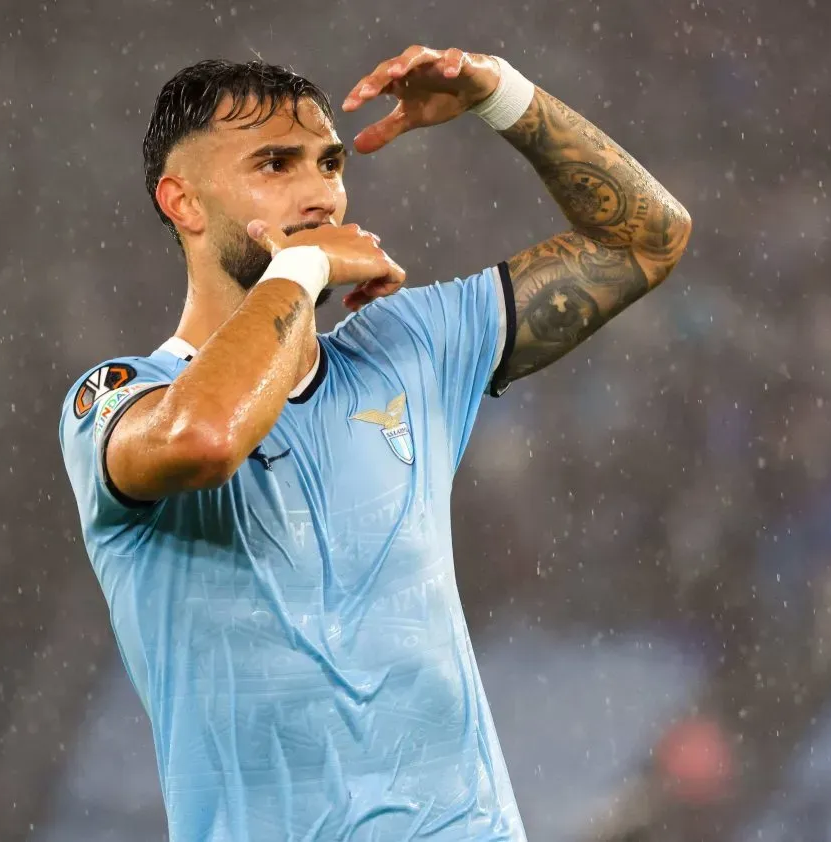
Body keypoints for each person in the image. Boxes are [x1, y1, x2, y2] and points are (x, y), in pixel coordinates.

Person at [58, 45, 691, 842]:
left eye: (329, 163)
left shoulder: (408, 347)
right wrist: (300, 271)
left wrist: (504, 96)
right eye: (275, 164)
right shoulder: (117, 398)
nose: (320, 193)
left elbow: (645, 241)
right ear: (182, 201)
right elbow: (209, 436)